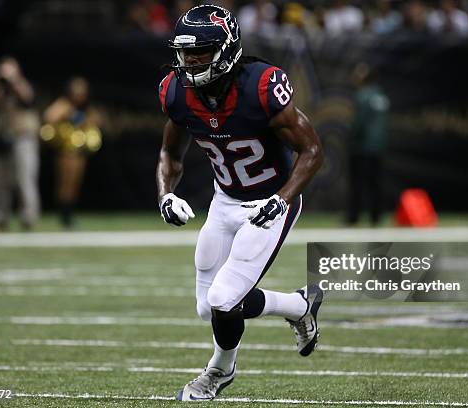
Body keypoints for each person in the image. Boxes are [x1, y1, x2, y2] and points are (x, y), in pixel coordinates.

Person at [156, 4, 324, 401]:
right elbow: (170, 154)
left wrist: (282, 201)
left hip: (269, 203)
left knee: (222, 300)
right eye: (185, 53)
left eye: (201, 53)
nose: (190, 62)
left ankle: (219, 370)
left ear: (228, 50)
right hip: (225, 200)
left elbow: (313, 150)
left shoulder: (260, 86)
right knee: (208, 308)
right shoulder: (177, 93)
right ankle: (299, 305)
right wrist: (165, 194)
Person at [0, 56, 41, 230]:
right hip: (0, 139)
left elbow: (28, 99)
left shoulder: (23, 85)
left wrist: (14, 81)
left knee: (24, 178)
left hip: (23, 138)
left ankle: (28, 216)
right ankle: (0, 217)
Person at [43, 77, 103, 229]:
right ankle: (64, 216)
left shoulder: (86, 108)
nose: (79, 95)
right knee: (65, 183)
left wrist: (88, 120)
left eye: (82, 92)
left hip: (80, 150)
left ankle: (69, 214)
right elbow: (49, 116)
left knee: (75, 184)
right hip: (65, 151)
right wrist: (67, 114)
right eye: (77, 91)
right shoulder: (64, 104)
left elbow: (98, 120)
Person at [347, 62, 389, 226]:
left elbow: (359, 123)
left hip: (361, 147)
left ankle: (353, 217)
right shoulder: (381, 95)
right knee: (376, 184)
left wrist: (351, 138)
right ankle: (376, 217)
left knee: (357, 184)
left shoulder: (362, 95)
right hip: (378, 147)